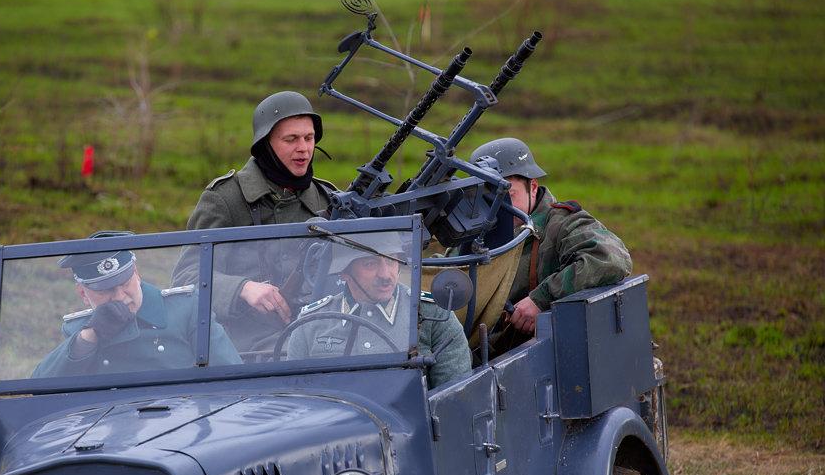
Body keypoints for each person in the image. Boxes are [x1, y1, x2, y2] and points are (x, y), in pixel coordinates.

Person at [171, 91, 337, 353]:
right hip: (244, 350)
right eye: (290, 139)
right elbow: (186, 279)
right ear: (265, 144)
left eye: (309, 138)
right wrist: (241, 289)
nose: (303, 148)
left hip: (320, 340)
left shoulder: (328, 200)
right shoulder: (225, 200)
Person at [469, 138, 633, 338]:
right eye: (489, 199)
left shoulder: (562, 224)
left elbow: (610, 259)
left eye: (509, 196)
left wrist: (542, 298)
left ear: (533, 187)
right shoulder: (477, 233)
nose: (499, 207)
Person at [33, 231, 241, 377]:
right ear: (84, 294)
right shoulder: (81, 330)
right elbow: (41, 386)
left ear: (137, 275)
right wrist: (89, 337)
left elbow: (231, 374)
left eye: (125, 284)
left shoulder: (186, 309)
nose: (120, 297)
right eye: (105, 290)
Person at [287, 232, 471, 389]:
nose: (385, 275)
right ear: (343, 272)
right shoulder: (310, 322)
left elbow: (454, 399)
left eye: (392, 260)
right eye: (370, 264)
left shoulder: (433, 313)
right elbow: (297, 401)